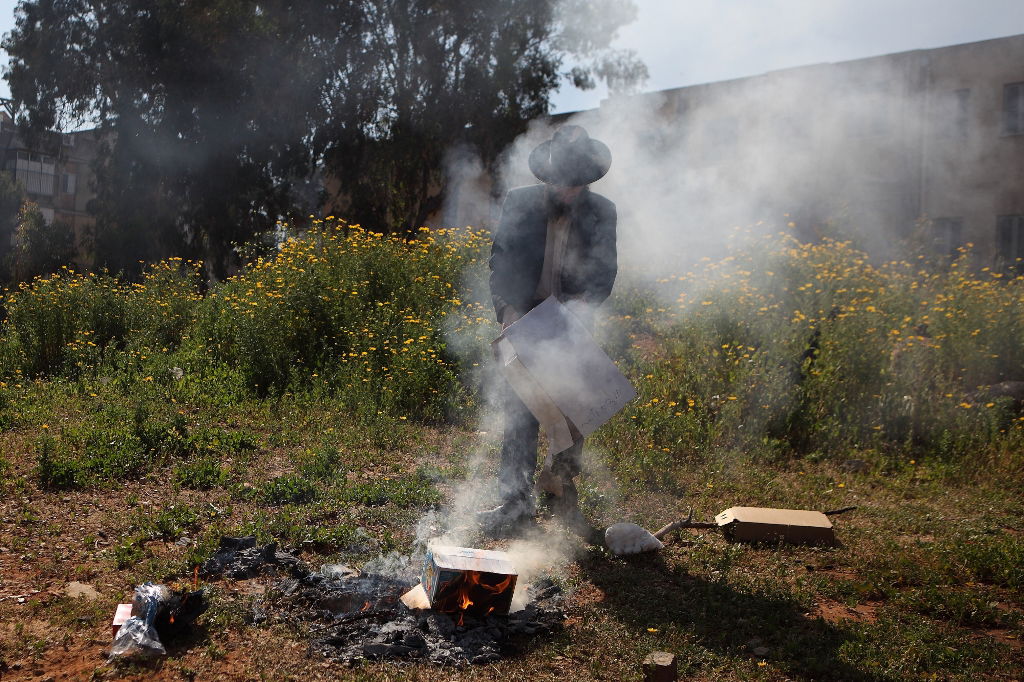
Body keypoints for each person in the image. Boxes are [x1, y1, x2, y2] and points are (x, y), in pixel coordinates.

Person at [480, 124, 617, 538]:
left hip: (572, 320)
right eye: (561, 182)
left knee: (576, 408)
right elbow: (501, 262)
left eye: (575, 184)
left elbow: (604, 274)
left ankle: (559, 491)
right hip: (524, 316)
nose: (566, 191)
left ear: (587, 181)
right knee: (520, 410)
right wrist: (507, 311)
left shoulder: (603, 212)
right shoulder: (520, 202)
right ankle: (514, 502)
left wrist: (581, 309)